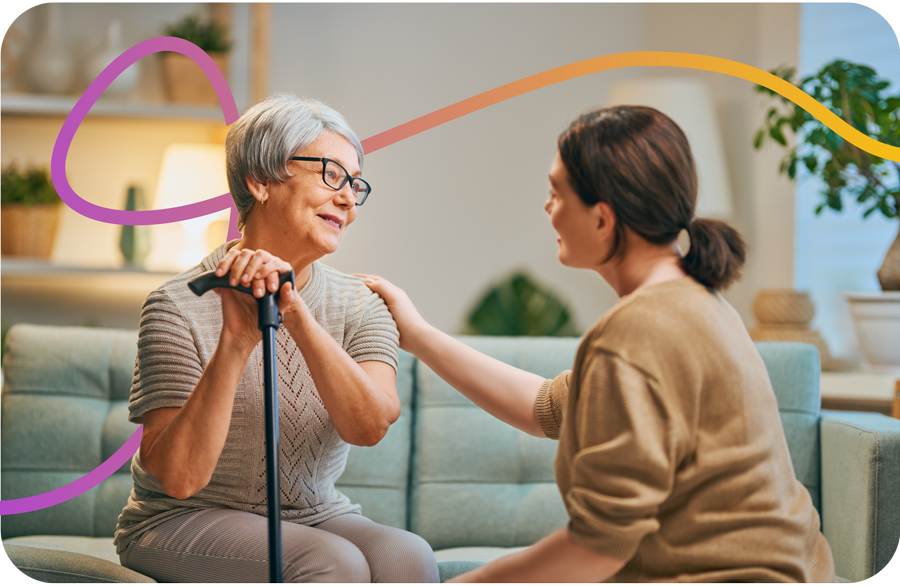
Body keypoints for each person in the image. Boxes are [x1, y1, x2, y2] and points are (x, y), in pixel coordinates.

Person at [355, 105, 837, 582]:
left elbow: (595, 550)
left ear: (603, 219)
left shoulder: (638, 331)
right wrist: (416, 334)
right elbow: (547, 406)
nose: (548, 207)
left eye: (556, 192)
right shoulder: (697, 303)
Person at [113, 93, 439, 584]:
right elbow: (179, 479)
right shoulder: (176, 305)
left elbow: (369, 426)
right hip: (181, 519)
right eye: (331, 174)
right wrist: (236, 340)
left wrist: (296, 313)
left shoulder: (361, 304)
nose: (348, 198)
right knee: (333, 562)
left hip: (314, 514)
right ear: (260, 180)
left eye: (354, 184)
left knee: (409, 557)